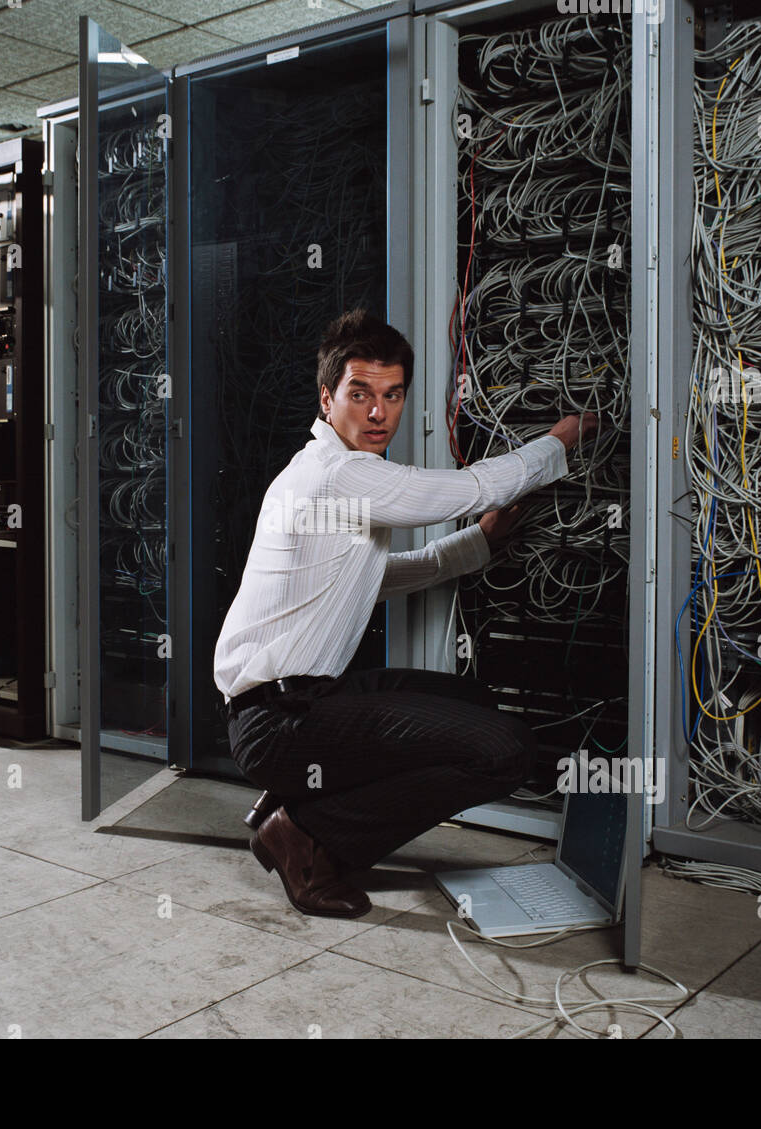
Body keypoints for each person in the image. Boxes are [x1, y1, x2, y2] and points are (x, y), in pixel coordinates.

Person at [213, 309, 597, 918]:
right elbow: (469, 489)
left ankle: (294, 808)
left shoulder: (318, 473)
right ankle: (307, 838)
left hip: (295, 705)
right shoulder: (339, 474)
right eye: (359, 394)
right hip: (278, 723)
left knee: (473, 706)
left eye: (392, 396)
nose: (377, 413)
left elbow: (370, 579)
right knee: (503, 750)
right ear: (326, 397)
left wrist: (478, 545)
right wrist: (564, 438)